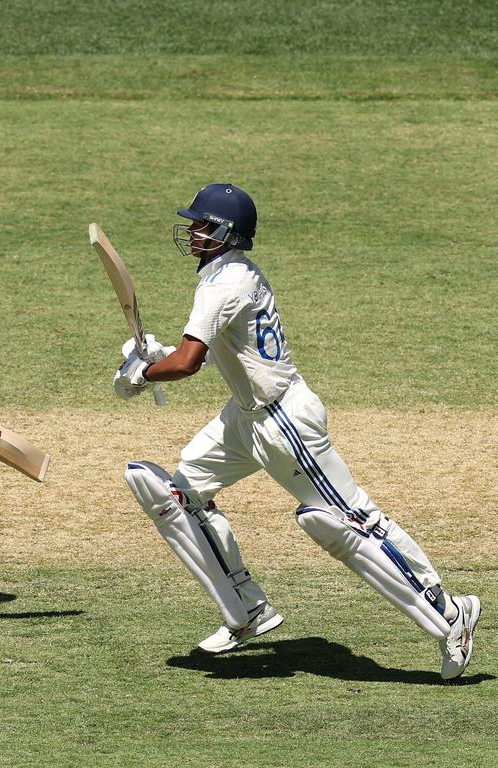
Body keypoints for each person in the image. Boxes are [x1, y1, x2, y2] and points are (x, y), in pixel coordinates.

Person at [113, 183, 480, 679]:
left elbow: (189, 363)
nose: (193, 232)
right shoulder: (223, 274)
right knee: (175, 493)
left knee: (348, 525)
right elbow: (203, 348)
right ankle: (247, 610)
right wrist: (156, 357)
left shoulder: (227, 282)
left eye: (202, 224)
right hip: (245, 418)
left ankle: (450, 614)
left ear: (225, 232)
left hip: (285, 421)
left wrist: (143, 374)